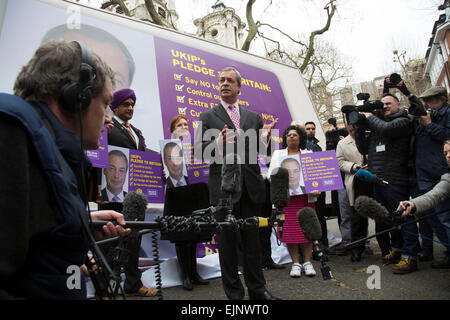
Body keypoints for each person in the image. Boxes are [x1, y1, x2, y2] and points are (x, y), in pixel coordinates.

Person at [0, 40, 129, 299]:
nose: (107, 119)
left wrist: (81, 224)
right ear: (75, 97)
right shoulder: (10, 132)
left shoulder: (50, 149)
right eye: (105, 104)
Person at [194, 66, 279, 300]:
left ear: (239, 87)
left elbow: (262, 152)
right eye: (221, 80)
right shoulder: (207, 116)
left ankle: (258, 290)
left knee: (253, 243)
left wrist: (267, 140)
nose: (224, 84)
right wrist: (218, 145)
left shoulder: (253, 117)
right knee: (228, 245)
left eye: (230, 81)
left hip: (251, 189)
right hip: (224, 190)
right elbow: (200, 152)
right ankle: (234, 295)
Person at [99, 88, 156, 297]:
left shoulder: (137, 132)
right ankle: (105, 286)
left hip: (134, 195)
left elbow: (142, 156)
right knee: (110, 240)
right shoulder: (107, 128)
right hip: (112, 194)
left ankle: (133, 283)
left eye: (132, 104)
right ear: (115, 107)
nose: (130, 108)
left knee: (134, 238)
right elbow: (98, 155)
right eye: (126, 104)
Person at [354, 93, 418, 273]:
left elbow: (387, 130)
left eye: (389, 103)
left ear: (398, 104)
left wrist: (369, 116)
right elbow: (363, 148)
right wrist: (359, 125)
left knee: (403, 216)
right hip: (377, 179)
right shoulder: (377, 125)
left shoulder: (402, 122)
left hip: (395, 179)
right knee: (388, 218)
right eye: (382, 105)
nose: (385, 107)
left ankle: (410, 256)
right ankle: (397, 249)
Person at [162, 115, 211, 290]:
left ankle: (194, 272)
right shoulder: (165, 149)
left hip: (195, 194)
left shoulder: (196, 148)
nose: (183, 127)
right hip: (178, 196)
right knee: (182, 236)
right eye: (179, 125)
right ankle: (185, 275)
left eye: (185, 124)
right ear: (172, 130)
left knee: (194, 234)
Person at [406, 84, 450, 269]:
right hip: (423, 171)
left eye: (430, 100)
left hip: (440, 171)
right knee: (431, 216)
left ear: (442, 99)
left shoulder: (445, 115)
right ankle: (448, 252)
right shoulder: (422, 116)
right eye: (424, 101)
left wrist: (430, 125)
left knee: (444, 216)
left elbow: (447, 136)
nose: (427, 104)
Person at [268, 125, 320, 278]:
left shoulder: (308, 154)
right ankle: (295, 263)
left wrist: (316, 186)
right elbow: (271, 174)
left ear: (300, 138)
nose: (291, 137)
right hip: (287, 200)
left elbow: (316, 176)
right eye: (288, 135)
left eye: (295, 135)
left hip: (306, 199)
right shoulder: (278, 155)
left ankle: (308, 262)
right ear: (285, 138)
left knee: (307, 229)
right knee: (290, 231)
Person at [336, 123, 371, 261]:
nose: (352, 133)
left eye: (355, 130)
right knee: (357, 217)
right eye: (349, 131)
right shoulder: (342, 144)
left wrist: (373, 164)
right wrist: (353, 167)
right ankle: (357, 249)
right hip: (356, 180)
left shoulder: (371, 137)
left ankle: (387, 248)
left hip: (374, 178)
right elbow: (339, 161)